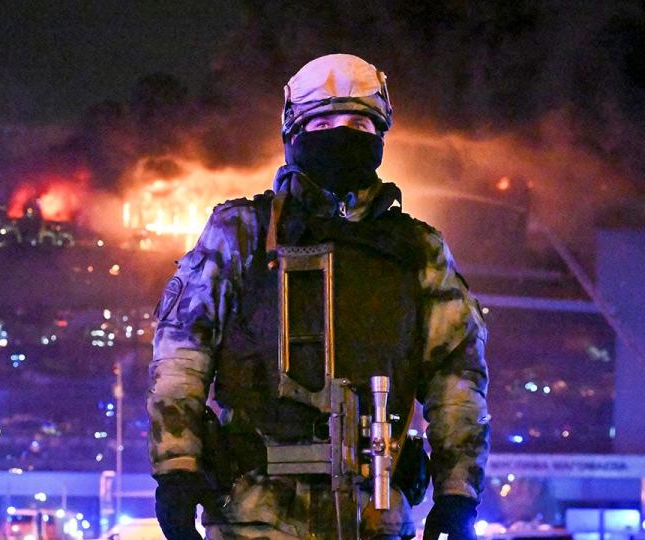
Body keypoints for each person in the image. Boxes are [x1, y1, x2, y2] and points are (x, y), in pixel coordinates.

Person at [146, 54, 490, 540]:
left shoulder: (418, 249)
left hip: (376, 510)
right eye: (322, 122)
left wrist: (458, 495)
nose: (339, 134)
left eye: (356, 122)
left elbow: (458, 376)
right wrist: (177, 469)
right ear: (293, 133)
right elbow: (182, 355)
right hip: (253, 512)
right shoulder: (241, 233)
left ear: (380, 137)